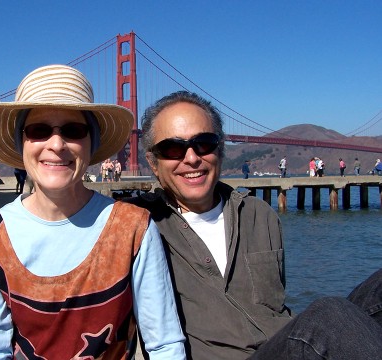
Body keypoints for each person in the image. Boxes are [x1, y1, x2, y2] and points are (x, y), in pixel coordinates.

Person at [127, 90, 382, 359]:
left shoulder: (258, 213)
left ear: (220, 150)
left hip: (284, 346)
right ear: (154, 163)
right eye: (173, 148)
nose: (191, 158)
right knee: (329, 316)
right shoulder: (135, 222)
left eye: (204, 143)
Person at [0, 64, 186, 359]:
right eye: (39, 130)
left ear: (91, 142)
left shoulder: (133, 228)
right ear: (22, 142)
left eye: (73, 131)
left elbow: (164, 345)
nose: (56, 145)